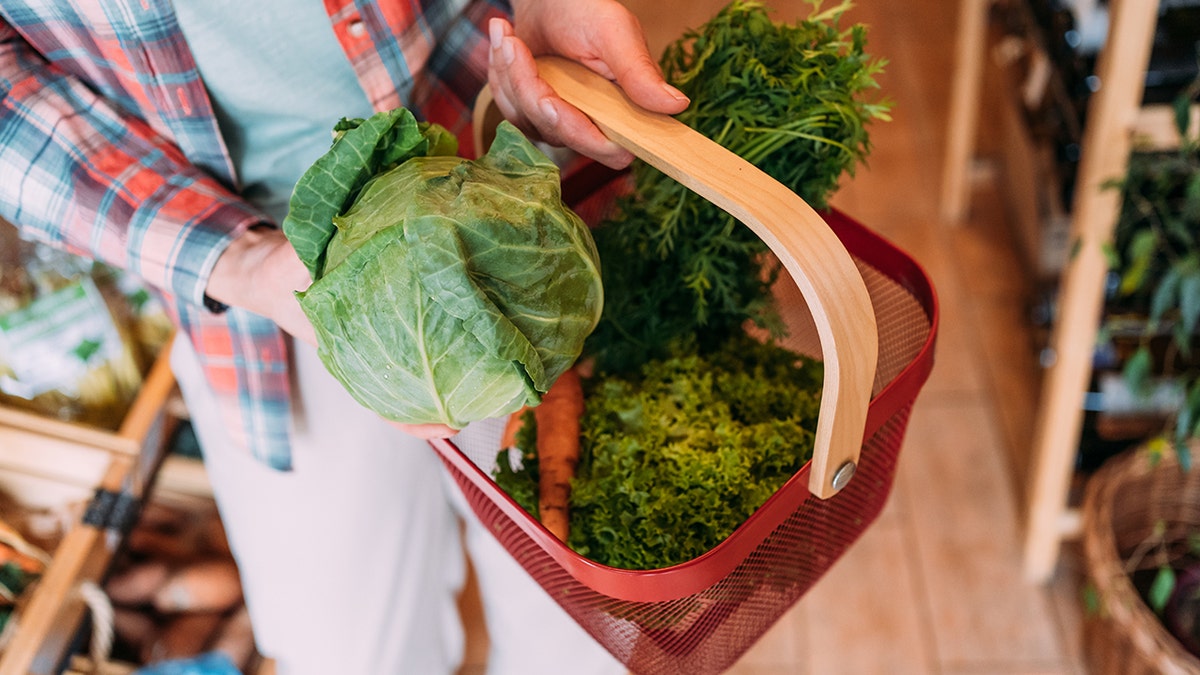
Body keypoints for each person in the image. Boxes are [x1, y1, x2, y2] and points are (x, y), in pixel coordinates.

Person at [0, 1, 689, 673]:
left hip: (489, 171)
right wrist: (239, 261)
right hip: (247, 276)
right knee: (345, 648)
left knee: (584, 615)